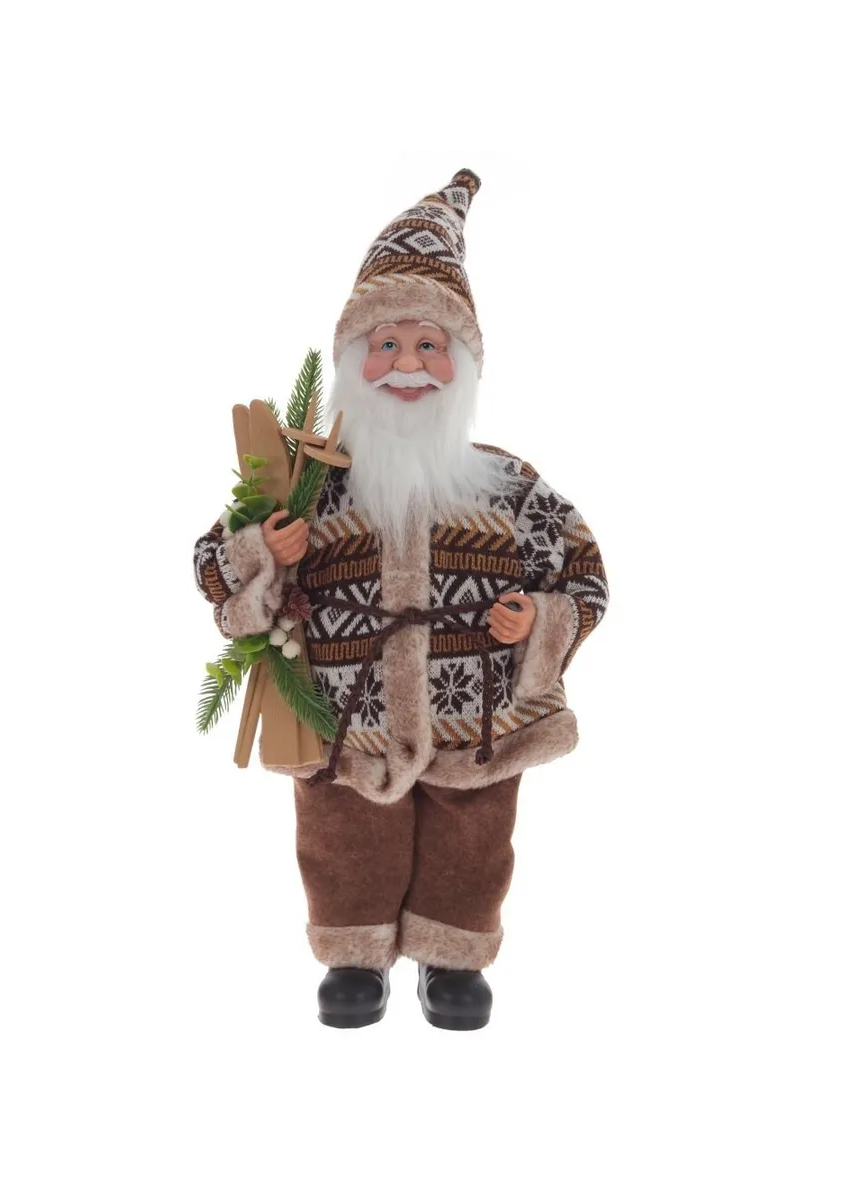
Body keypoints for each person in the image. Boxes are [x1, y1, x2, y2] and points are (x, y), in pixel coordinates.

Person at [193, 168, 608, 1030]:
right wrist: (262, 551)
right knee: (345, 842)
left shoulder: (507, 485)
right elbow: (210, 567)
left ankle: (453, 958)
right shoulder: (309, 484)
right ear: (353, 362)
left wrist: (540, 620)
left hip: (477, 719)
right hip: (344, 719)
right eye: (386, 344)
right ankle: (355, 957)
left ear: (464, 367)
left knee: (472, 844)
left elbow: (584, 574)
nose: (408, 365)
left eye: (429, 344)